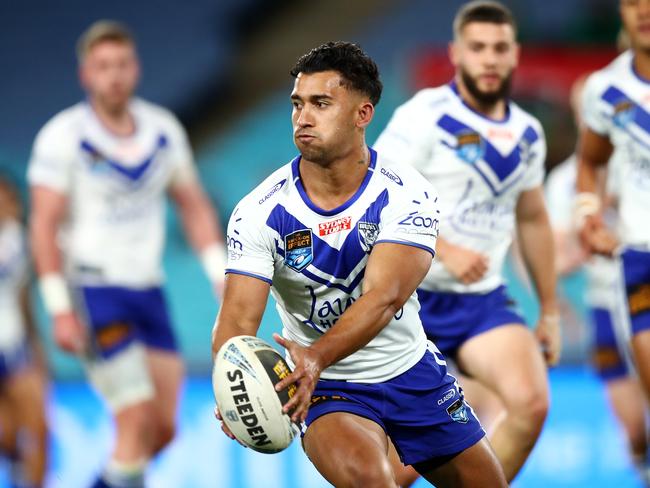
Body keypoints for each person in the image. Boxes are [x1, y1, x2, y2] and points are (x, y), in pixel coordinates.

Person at [212, 41, 507, 487]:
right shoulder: (259, 212)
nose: (303, 117)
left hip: (410, 370)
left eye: (321, 103)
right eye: (297, 104)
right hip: (325, 388)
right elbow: (236, 318)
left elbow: (384, 299)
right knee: (373, 480)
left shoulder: (406, 192)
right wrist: (232, 384)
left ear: (362, 114)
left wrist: (315, 355)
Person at [27, 21, 226, 488]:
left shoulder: (162, 130)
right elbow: (43, 223)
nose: (113, 75)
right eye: (102, 67)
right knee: (134, 417)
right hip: (94, 291)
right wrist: (58, 309)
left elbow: (192, 203)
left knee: (162, 429)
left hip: (148, 289)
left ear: (134, 69)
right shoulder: (64, 137)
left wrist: (219, 270)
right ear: (85, 75)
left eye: (121, 64)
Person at [374, 1, 560, 483]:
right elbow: (374, 192)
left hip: (479, 303)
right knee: (397, 469)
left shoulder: (527, 133)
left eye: (500, 48)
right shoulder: (423, 116)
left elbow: (534, 218)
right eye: (478, 48)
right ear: (456, 53)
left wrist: (551, 310)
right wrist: (443, 248)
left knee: (531, 403)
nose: (490, 59)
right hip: (408, 300)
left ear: (515, 54)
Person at [550, 75, 649, 482]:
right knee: (634, 430)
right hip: (606, 304)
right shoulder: (564, 183)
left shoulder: (638, 161)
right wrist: (588, 236)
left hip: (641, 290)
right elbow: (557, 261)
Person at [576, 0, 650, 472]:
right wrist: (589, 214)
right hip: (641, 255)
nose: (642, 9)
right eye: (630, 0)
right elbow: (591, 162)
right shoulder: (606, 89)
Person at [0, 179, 48, 488]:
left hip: (14, 346)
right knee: (5, 435)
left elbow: (23, 297)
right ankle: (18, 471)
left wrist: (36, 346)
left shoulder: (21, 240)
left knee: (39, 429)